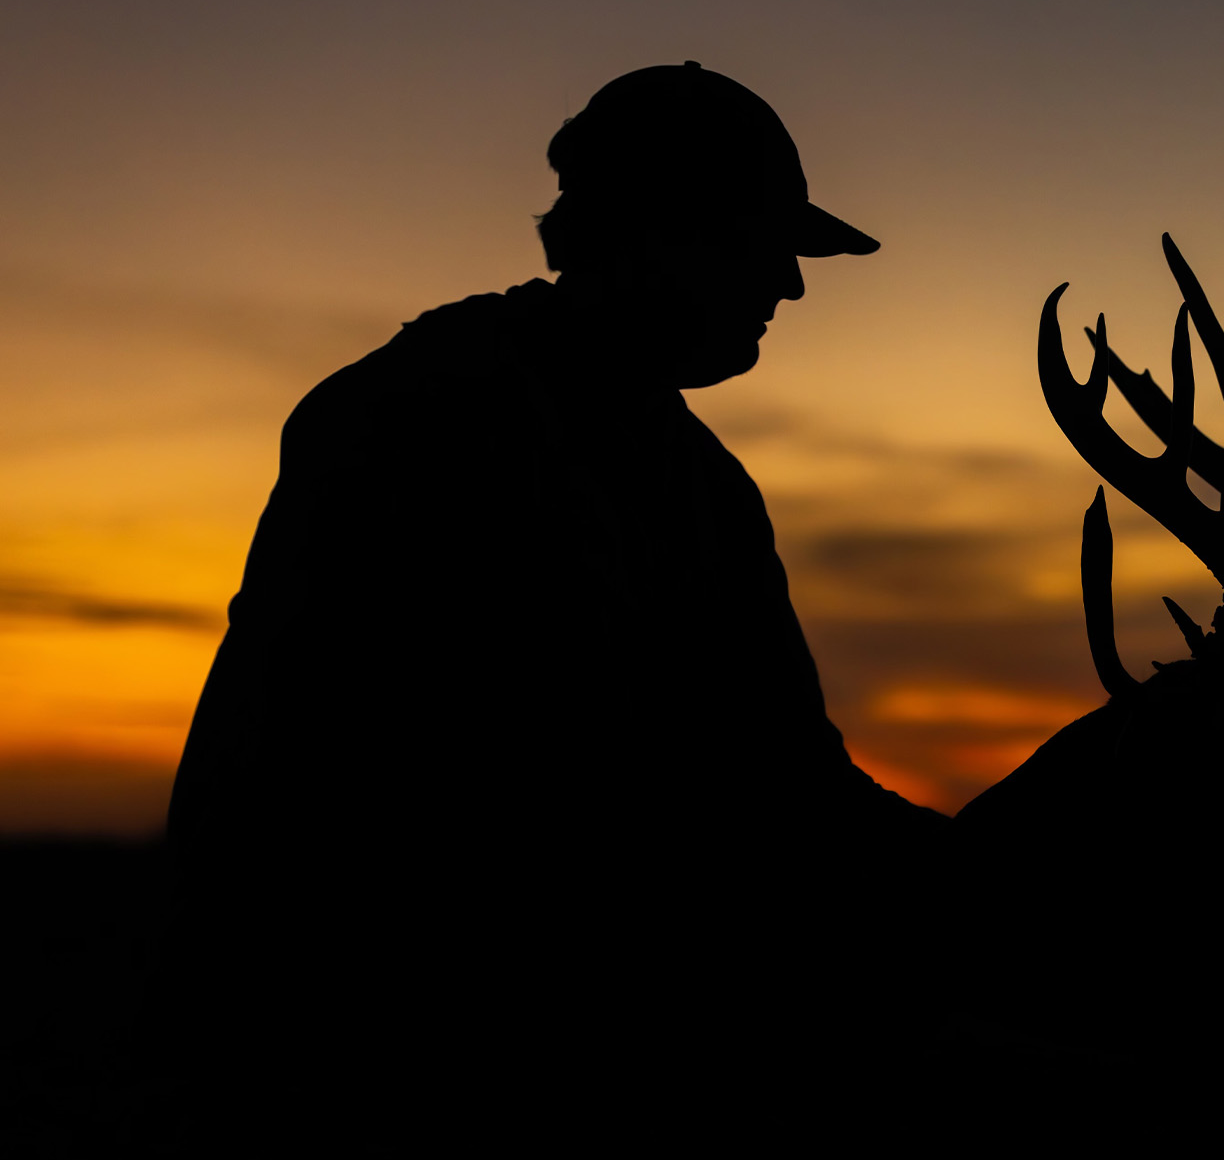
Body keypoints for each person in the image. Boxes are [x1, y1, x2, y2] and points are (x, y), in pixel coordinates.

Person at [164, 62, 952, 1136]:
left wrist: (974, 870)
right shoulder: (423, 416)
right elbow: (539, 797)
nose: (792, 286)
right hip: (399, 1078)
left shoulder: (704, 482)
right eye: (763, 243)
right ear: (660, 230)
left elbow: (788, 782)